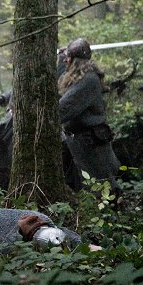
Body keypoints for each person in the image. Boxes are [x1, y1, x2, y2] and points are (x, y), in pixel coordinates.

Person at [58, 38, 120, 191]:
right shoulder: (80, 78)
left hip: (90, 142)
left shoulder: (88, 80)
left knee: (102, 189)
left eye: (68, 58)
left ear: (75, 60)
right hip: (79, 141)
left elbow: (62, 109)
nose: (65, 61)